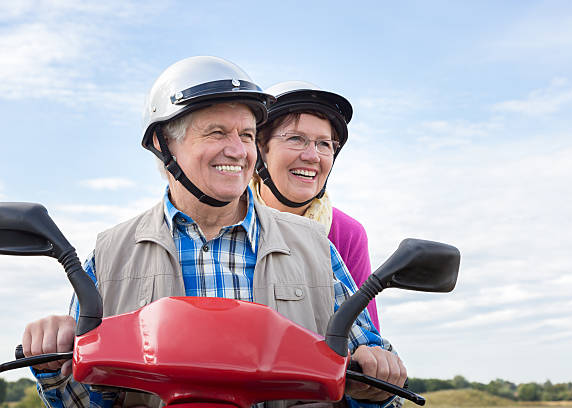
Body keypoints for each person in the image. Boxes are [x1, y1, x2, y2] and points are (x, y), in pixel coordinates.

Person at [21, 57, 405, 408]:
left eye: (248, 135)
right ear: (162, 144)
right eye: (217, 132)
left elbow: (368, 376)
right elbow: (83, 403)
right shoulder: (110, 253)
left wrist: (376, 380)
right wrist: (55, 363)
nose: (238, 150)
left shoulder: (315, 248)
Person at [251, 81, 379, 330]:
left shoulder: (346, 233)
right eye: (297, 139)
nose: (312, 156)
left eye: (324, 144)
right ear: (260, 149)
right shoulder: (224, 219)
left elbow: (366, 336)